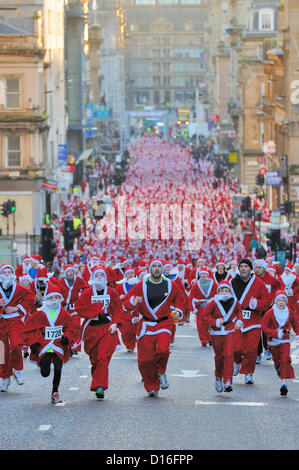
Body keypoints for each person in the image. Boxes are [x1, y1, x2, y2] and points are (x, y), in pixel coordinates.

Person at [122, 259, 184, 397]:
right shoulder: (141, 285)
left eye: (159, 266)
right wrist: (134, 301)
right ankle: (152, 386)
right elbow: (126, 302)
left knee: (163, 350)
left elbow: (180, 298)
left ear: (162, 269)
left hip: (163, 323)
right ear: (149, 269)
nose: (156, 269)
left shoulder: (170, 284)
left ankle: (161, 371)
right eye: (154, 266)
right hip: (146, 325)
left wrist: (178, 312)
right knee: (145, 360)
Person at [74, 265, 123, 400]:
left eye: (102, 276)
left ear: (106, 278)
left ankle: (100, 386)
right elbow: (79, 307)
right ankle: (98, 378)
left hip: (107, 328)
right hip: (91, 328)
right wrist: (96, 309)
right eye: (97, 276)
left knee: (103, 356)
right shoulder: (88, 292)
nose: (99, 278)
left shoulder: (111, 292)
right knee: (94, 357)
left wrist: (115, 323)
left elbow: (118, 308)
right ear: (93, 278)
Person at [23, 284, 76, 404]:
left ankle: (55, 392)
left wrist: (66, 338)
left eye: (56, 298)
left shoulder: (63, 313)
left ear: (60, 299)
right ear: (46, 299)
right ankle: (43, 366)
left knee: (58, 368)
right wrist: (33, 342)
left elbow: (71, 328)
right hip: (44, 344)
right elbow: (27, 329)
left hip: (58, 344)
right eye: (51, 298)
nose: (54, 301)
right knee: (45, 373)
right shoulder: (40, 313)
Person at [230, 259, 272, 384]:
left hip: (253, 320)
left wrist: (257, 304)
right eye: (241, 266)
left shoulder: (258, 283)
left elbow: (267, 300)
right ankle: (237, 361)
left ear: (250, 269)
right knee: (236, 348)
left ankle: (248, 373)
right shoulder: (232, 282)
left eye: (246, 266)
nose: (243, 269)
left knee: (251, 349)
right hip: (237, 320)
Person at [202, 280, 243, 392]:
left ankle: (228, 381)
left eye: (226, 290)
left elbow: (239, 311)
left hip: (229, 331)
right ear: (218, 292)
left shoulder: (234, 301)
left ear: (230, 291)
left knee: (229, 355)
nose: (224, 292)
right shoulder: (213, 302)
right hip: (216, 333)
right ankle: (218, 377)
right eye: (222, 290)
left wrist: (239, 321)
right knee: (219, 357)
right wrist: (214, 322)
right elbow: (204, 316)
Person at [0, 263, 35, 391]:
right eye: (5, 272)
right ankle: (5, 377)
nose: (7, 274)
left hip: (14, 320)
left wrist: (16, 308)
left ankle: (16, 369)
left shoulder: (19, 288)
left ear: (13, 274)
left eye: (9, 272)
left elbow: (30, 297)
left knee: (16, 344)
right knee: (2, 351)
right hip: (1, 321)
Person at [261, 290, 299, 396]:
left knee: (285, 359)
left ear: (286, 302)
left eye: (283, 300)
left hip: (285, 340)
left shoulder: (289, 312)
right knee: (277, 361)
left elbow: (295, 323)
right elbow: (264, 326)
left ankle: (284, 384)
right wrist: (275, 333)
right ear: (275, 301)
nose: (281, 302)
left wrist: (297, 333)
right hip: (273, 341)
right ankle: (278, 367)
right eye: (279, 300)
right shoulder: (270, 312)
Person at [253, 258, 282, 363]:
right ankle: (257, 353)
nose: (257, 269)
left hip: (267, 308)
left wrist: (273, 299)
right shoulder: (252, 278)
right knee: (256, 331)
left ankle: (267, 349)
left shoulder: (271, 279)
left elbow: (278, 288)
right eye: (255, 267)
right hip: (255, 308)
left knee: (266, 329)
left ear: (264, 268)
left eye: (259, 267)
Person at [58, 264, 89, 355]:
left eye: (72, 271)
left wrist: (82, 298)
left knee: (76, 325)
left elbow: (86, 289)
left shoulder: (79, 280)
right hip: (64, 308)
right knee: (66, 327)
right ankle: (68, 345)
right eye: (68, 271)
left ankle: (75, 346)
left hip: (74, 307)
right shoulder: (61, 282)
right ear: (65, 273)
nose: (70, 273)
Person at [188, 266, 218, 347]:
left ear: (207, 275)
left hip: (211, 307)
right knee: (201, 325)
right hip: (200, 307)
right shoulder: (196, 285)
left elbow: (217, 293)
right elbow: (192, 296)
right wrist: (193, 308)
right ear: (199, 275)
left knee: (211, 324)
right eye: (202, 274)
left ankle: (211, 339)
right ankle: (203, 340)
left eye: (205, 274)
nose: (203, 275)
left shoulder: (213, 283)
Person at [116, 266, 139, 352]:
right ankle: (129, 345)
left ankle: (133, 342)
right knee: (125, 330)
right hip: (124, 311)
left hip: (135, 311)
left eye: (131, 273)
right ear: (125, 275)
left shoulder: (138, 284)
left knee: (134, 330)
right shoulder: (120, 286)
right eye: (128, 273)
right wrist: (119, 297)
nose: (130, 275)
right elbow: (115, 299)